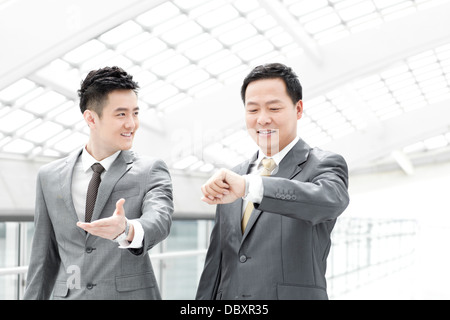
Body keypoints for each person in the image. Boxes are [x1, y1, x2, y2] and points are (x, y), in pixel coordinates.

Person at [196, 63, 349, 300]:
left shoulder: (323, 164)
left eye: (274, 108)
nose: (263, 119)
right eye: (253, 110)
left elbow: (329, 201)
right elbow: (216, 263)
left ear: (298, 109)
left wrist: (250, 187)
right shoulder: (234, 176)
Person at [23, 66, 173, 300]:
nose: (131, 124)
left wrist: (127, 230)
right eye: (121, 114)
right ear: (91, 118)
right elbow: (43, 258)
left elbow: (160, 220)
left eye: (135, 113)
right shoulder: (49, 176)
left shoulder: (150, 170)